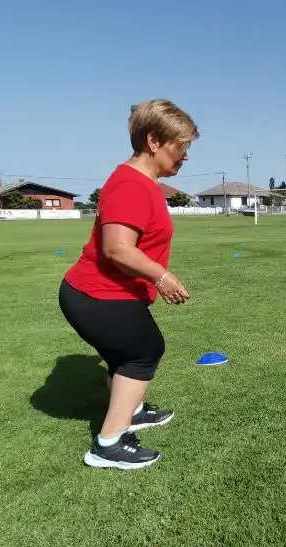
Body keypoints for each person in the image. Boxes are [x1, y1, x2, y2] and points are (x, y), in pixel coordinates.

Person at [59, 99, 198, 469]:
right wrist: (162, 277)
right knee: (144, 350)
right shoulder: (131, 184)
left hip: (102, 294)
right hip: (96, 294)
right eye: (180, 147)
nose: (184, 156)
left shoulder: (143, 183)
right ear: (154, 140)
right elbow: (117, 249)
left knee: (125, 352)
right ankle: (109, 443)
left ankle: (132, 409)